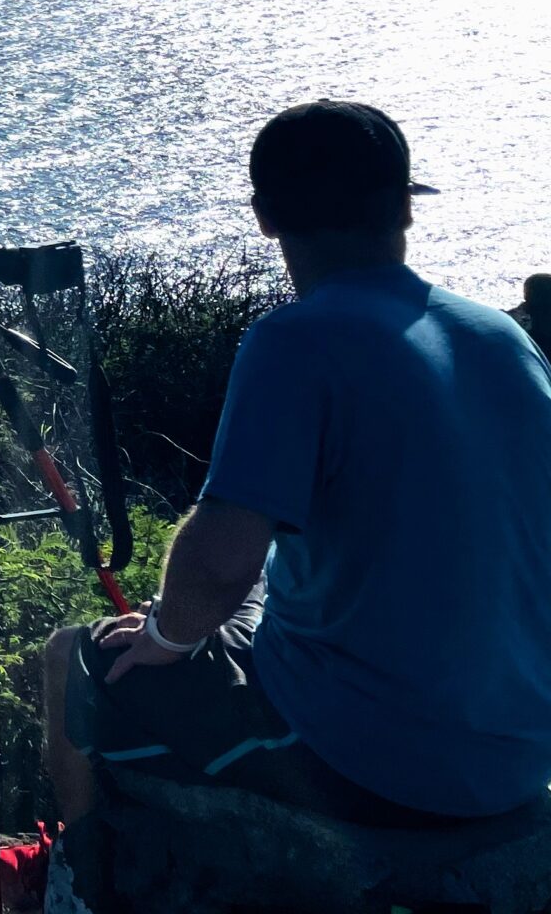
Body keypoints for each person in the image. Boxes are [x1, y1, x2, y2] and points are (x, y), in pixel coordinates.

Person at [41, 100, 551, 833]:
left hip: (386, 761)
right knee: (265, 604)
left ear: (267, 219)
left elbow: (219, 567)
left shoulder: (297, 341)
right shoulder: (501, 335)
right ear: (405, 209)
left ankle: (78, 883)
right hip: (522, 747)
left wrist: (166, 638)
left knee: (74, 662)